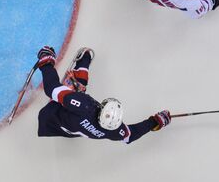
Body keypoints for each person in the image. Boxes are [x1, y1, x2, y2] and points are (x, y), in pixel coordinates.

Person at [36, 46, 170, 143]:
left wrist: (46, 61)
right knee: (75, 93)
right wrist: (155, 122)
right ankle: (83, 63)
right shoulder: (114, 130)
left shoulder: (84, 106)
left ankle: (83, 62)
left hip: (50, 116)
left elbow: (51, 88)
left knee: (72, 88)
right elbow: (130, 135)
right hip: (64, 130)